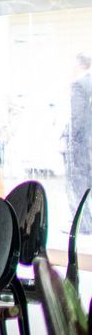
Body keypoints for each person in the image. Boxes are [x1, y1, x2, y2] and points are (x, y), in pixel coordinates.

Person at [70, 54, 92, 233]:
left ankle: (84, 227)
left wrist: (70, 144)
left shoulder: (79, 85)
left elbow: (76, 120)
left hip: (84, 146)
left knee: (80, 187)